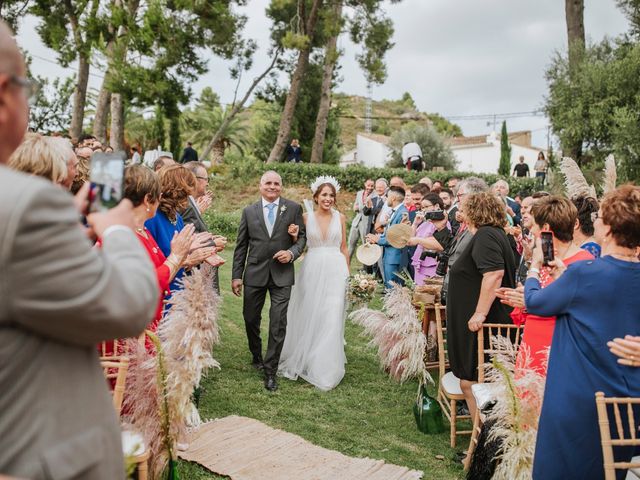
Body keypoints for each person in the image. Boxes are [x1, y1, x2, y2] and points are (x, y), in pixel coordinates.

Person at [0, 20, 159, 479]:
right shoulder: (26, 206)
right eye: (25, 87)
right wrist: (115, 229)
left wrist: (69, 225)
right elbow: (131, 306)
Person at [525, 185, 640, 480]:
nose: (595, 222)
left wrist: (535, 270)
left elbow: (536, 303)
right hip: (625, 405)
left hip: (577, 398)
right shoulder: (585, 275)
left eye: (600, 217)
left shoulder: (585, 273)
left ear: (610, 229)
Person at [496, 196, 593, 375]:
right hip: (532, 339)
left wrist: (532, 300)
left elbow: (581, 311)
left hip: (555, 344)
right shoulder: (544, 259)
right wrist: (524, 296)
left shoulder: (584, 263)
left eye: (533, 226)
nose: (531, 231)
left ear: (546, 229)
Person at [231, 171, 307, 392]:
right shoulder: (248, 211)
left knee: (278, 321)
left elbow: (301, 237)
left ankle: (270, 370)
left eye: (276, 183)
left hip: (282, 274)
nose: (272, 186)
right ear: (260, 185)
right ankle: (256, 353)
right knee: (250, 318)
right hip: (255, 272)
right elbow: (241, 246)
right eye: (268, 183)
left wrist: (292, 253)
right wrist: (237, 275)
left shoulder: (293, 208)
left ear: (281, 186)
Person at [447, 191, 516, 419]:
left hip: (483, 322)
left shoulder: (487, 235)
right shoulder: (494, 234)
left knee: (473, 383)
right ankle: (480, 444)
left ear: (475, 211)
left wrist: (479, 313)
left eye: (464, 208)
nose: (461, 212)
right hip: (480, 320)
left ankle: (482, 445)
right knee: (473, 383)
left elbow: (494, 274)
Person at [279, 178, 349, 390]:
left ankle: (325, 365)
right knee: (312, 312)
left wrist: (348, 274)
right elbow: (300, 244)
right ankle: (307, 356)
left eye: (331, 195)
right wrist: (292, 237)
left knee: (332, 313)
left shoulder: (341, 217)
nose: (328, 199)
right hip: (313, 268)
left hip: (336, 270)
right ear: (316, 197)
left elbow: (344, 247)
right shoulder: (306, 217)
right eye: (324, 195)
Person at [124, 165, 195, 337]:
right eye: (158, 195)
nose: (161, 198)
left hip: (158, 311)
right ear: (148, 199)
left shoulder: (143, 231)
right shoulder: (130, 233)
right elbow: (148, 281)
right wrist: (178, 257)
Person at [145, 164, 216, 293]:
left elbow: (178, 255)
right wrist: (188, 261)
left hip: (178, 293)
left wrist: (192, 250)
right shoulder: (152, 219)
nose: (189, 197)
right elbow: (152, 269)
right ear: (177, 191)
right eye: (187, 193)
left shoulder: (177, 218)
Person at [440, 177, 488, 303]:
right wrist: (440, 228)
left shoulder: (480, 226)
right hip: (454, 284)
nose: (457, 200)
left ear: (473, 196)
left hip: (467, 290)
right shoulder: (464, 223)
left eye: (460, 195)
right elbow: (451, 249)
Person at [182, 161, 225, 293]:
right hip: (193, 278)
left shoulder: (192, 203)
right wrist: (213, 243)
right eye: (206, 179)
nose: (208, 183)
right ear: (195, 180)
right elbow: (186, 237)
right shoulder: (186, 205)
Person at [366, 186, 410, 288]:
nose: (386, 199)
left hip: (395, 256)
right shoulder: (395, 211)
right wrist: (377, 238)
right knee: (389, 287)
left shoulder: (403, 213)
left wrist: (378, 240)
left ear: (393, 198)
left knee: (392, 288)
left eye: (388, 196)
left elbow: (397, 238)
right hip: (389, 255)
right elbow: (391, 233)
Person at [410, 193, 450, 285]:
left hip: (432, 262)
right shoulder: (425, 223)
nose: (423, 210)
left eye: (426, 206)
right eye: (422, 207)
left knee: (430, 293)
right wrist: (415, 224)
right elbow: (411, 239)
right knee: (419, 294)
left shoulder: (443, 223)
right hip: (420, 260)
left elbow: (440, 244)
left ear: (436, 206)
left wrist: (419, 240)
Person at [347, 178, 374, 261]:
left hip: (366, 223)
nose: (370, 187)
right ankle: (346, 264)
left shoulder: (375, 195)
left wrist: (359, 207)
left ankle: (365, 267)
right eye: (368, 185)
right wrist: (360, 207)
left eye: (372, 186)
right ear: (365, 184)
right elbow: (354, 207)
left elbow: (370, 208)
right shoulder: (359, 193)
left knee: (365, 245)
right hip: (356, 221)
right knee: (351, 244)